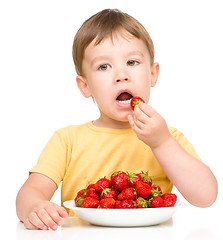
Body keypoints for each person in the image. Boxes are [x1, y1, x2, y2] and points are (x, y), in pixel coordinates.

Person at [16, 8, 218, 231]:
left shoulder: (168, 138)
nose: (121, 75)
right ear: (85, 86)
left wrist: (162, 143)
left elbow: (206, 196)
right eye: (104, 66)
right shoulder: (67, 140)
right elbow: (29, 193)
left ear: (153, 74)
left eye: (132, 62)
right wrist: (35, 206)